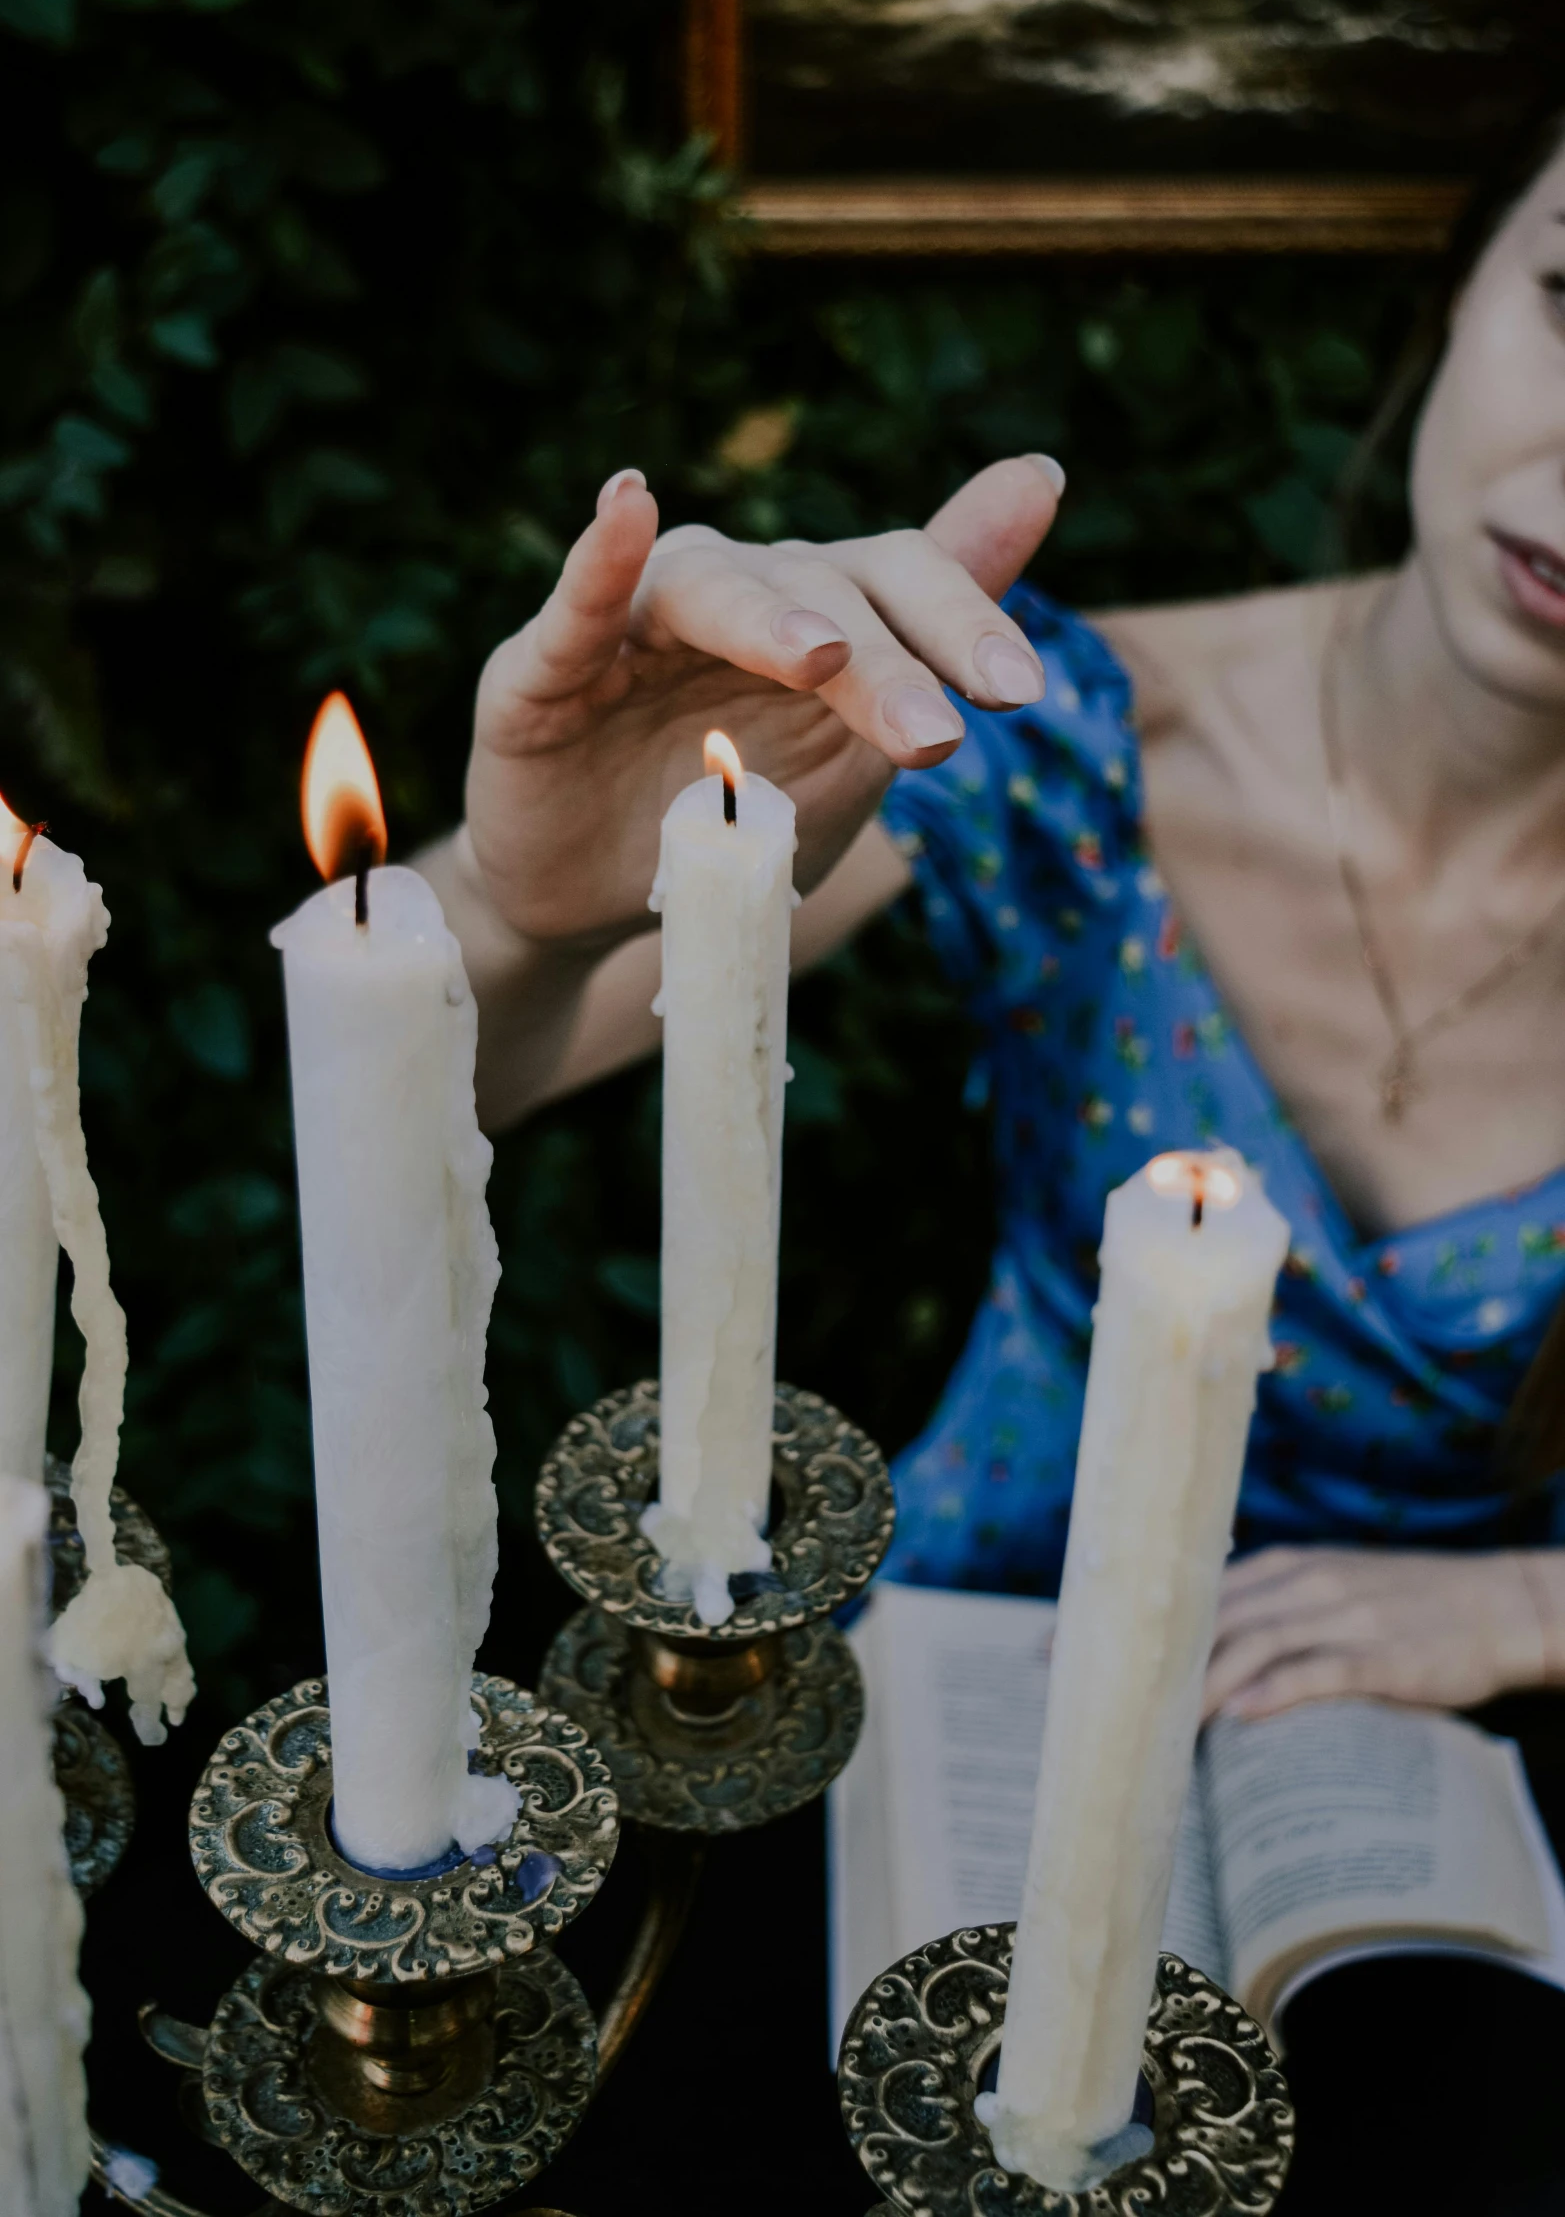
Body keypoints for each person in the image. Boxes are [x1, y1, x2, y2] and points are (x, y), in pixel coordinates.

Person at [420, 127, 1565, 1730]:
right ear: (1463, 285)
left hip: (1484, 1785)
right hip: (980, 1679)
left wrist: (1530, 1603)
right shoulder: (1053, 731)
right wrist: (522, 901)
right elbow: (435, 1086)